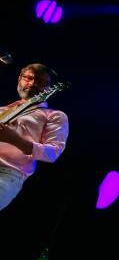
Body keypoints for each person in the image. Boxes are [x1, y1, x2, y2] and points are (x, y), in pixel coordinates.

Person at [0, 63, 69, 211]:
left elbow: (52, 153)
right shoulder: (2, 110)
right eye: (29, 78)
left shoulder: (54, 115)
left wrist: (15, 139)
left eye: (41, 82)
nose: (32, 84)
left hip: (6, 174)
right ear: (20, 79)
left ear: (48, 88)